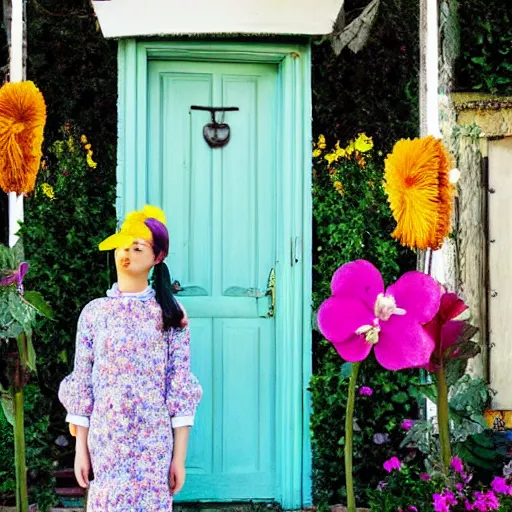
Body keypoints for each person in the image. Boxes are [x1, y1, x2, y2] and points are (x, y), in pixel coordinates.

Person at [58, 205, 202, 511]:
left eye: (137, 248)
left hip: (153, 442)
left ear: (158, 257)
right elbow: (82, 382)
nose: (127, 255)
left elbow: (180, 387)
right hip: (106, 439)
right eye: (122, 247)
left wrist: (179, 458)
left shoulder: (171, 314)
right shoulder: (94, 313)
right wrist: (80, 449)